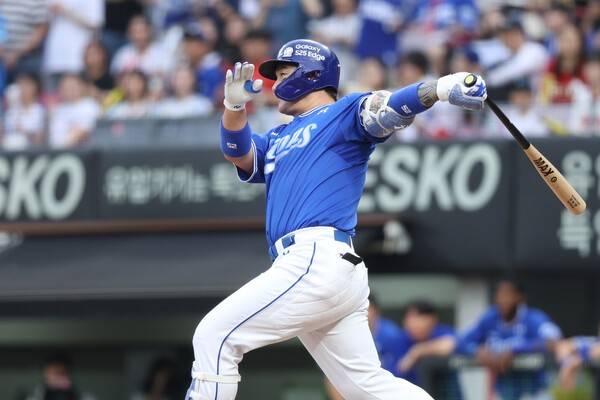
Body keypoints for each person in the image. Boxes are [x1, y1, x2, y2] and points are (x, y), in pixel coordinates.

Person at [184, 38, 487, 400]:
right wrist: (234, 106)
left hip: (315, 257)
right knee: (363, 386)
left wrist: (440, 87)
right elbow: (238, 152)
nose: (275, 82)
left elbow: (389, 108)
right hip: (325, 267)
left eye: (284, 73)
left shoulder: (343, 112)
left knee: (215, 336)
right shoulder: (279, 136)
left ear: (312, 75)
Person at [455, 279, 562, 400]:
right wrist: (476, 350)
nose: (502, 300)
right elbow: (460, 341)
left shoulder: (533, 318)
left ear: (520, 297)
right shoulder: (490, 318)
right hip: (505, 393)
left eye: (507, 295)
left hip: (535, 392)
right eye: (499, 295)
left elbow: (553, 340)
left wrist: (516, 350)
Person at [42, 0, 105, 88]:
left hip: (79, 60)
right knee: (52, 95)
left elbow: (95, 23)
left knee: (81, 96)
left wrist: (66, 11)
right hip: (53, 60)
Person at [0, 0, 48, 81]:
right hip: (2, 58)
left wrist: (16, 54)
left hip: (26, 58)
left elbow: (41, 31)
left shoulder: (36, 2)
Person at [48, 74, 101, 148]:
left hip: (82, 150)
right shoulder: (59, 109)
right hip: (56, 150)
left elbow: (84, 131)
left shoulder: (90, 105)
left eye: (72, 86)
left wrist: (61, 146)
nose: (69, 90)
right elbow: (53, 136)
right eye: (65, 87)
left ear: (82, 86)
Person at [20, 354, 95, 400]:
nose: (57, 378)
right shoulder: (35, 398)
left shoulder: (85, 398)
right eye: (53, 373)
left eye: (61, 373)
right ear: (45, 374)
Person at [3, 73, 45, 150]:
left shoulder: (39, 110)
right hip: (8, 150)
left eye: (26, 85)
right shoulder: (11, 110)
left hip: (31, 151)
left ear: (34, 87)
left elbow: (39, 138)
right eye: (20, 85)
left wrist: (25, 132)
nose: (23, 89)